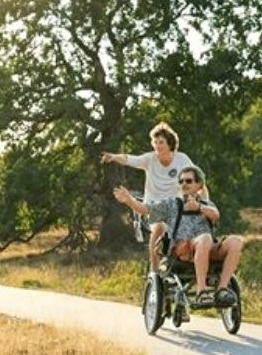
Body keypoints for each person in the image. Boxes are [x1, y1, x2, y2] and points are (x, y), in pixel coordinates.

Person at [113, 165, 243, 306]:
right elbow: (145, 209)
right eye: (181, 181)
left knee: (236, 241)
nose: (184, 184)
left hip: (207, 247)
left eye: (188, 181)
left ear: (199, 185)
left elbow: (216, 216)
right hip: (182, 249)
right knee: (205, 238)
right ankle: (202, 291)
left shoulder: (206, 204)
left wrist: (199, 207)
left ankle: (222, 289)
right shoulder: (172, 204)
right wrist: (129, 200)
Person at [102, 122, 198, 273]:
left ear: (170, 144)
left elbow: (197, 178)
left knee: (191, 229)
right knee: (159, 229)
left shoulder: (182, 159)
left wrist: (199, 198)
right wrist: (113, 157)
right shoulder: (150, 159)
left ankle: (183, 265)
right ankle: (155, 272)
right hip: (152, 207)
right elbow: (130, 159)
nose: (157, 145)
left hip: (175, 207)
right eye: (155, 142)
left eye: (161, 142)